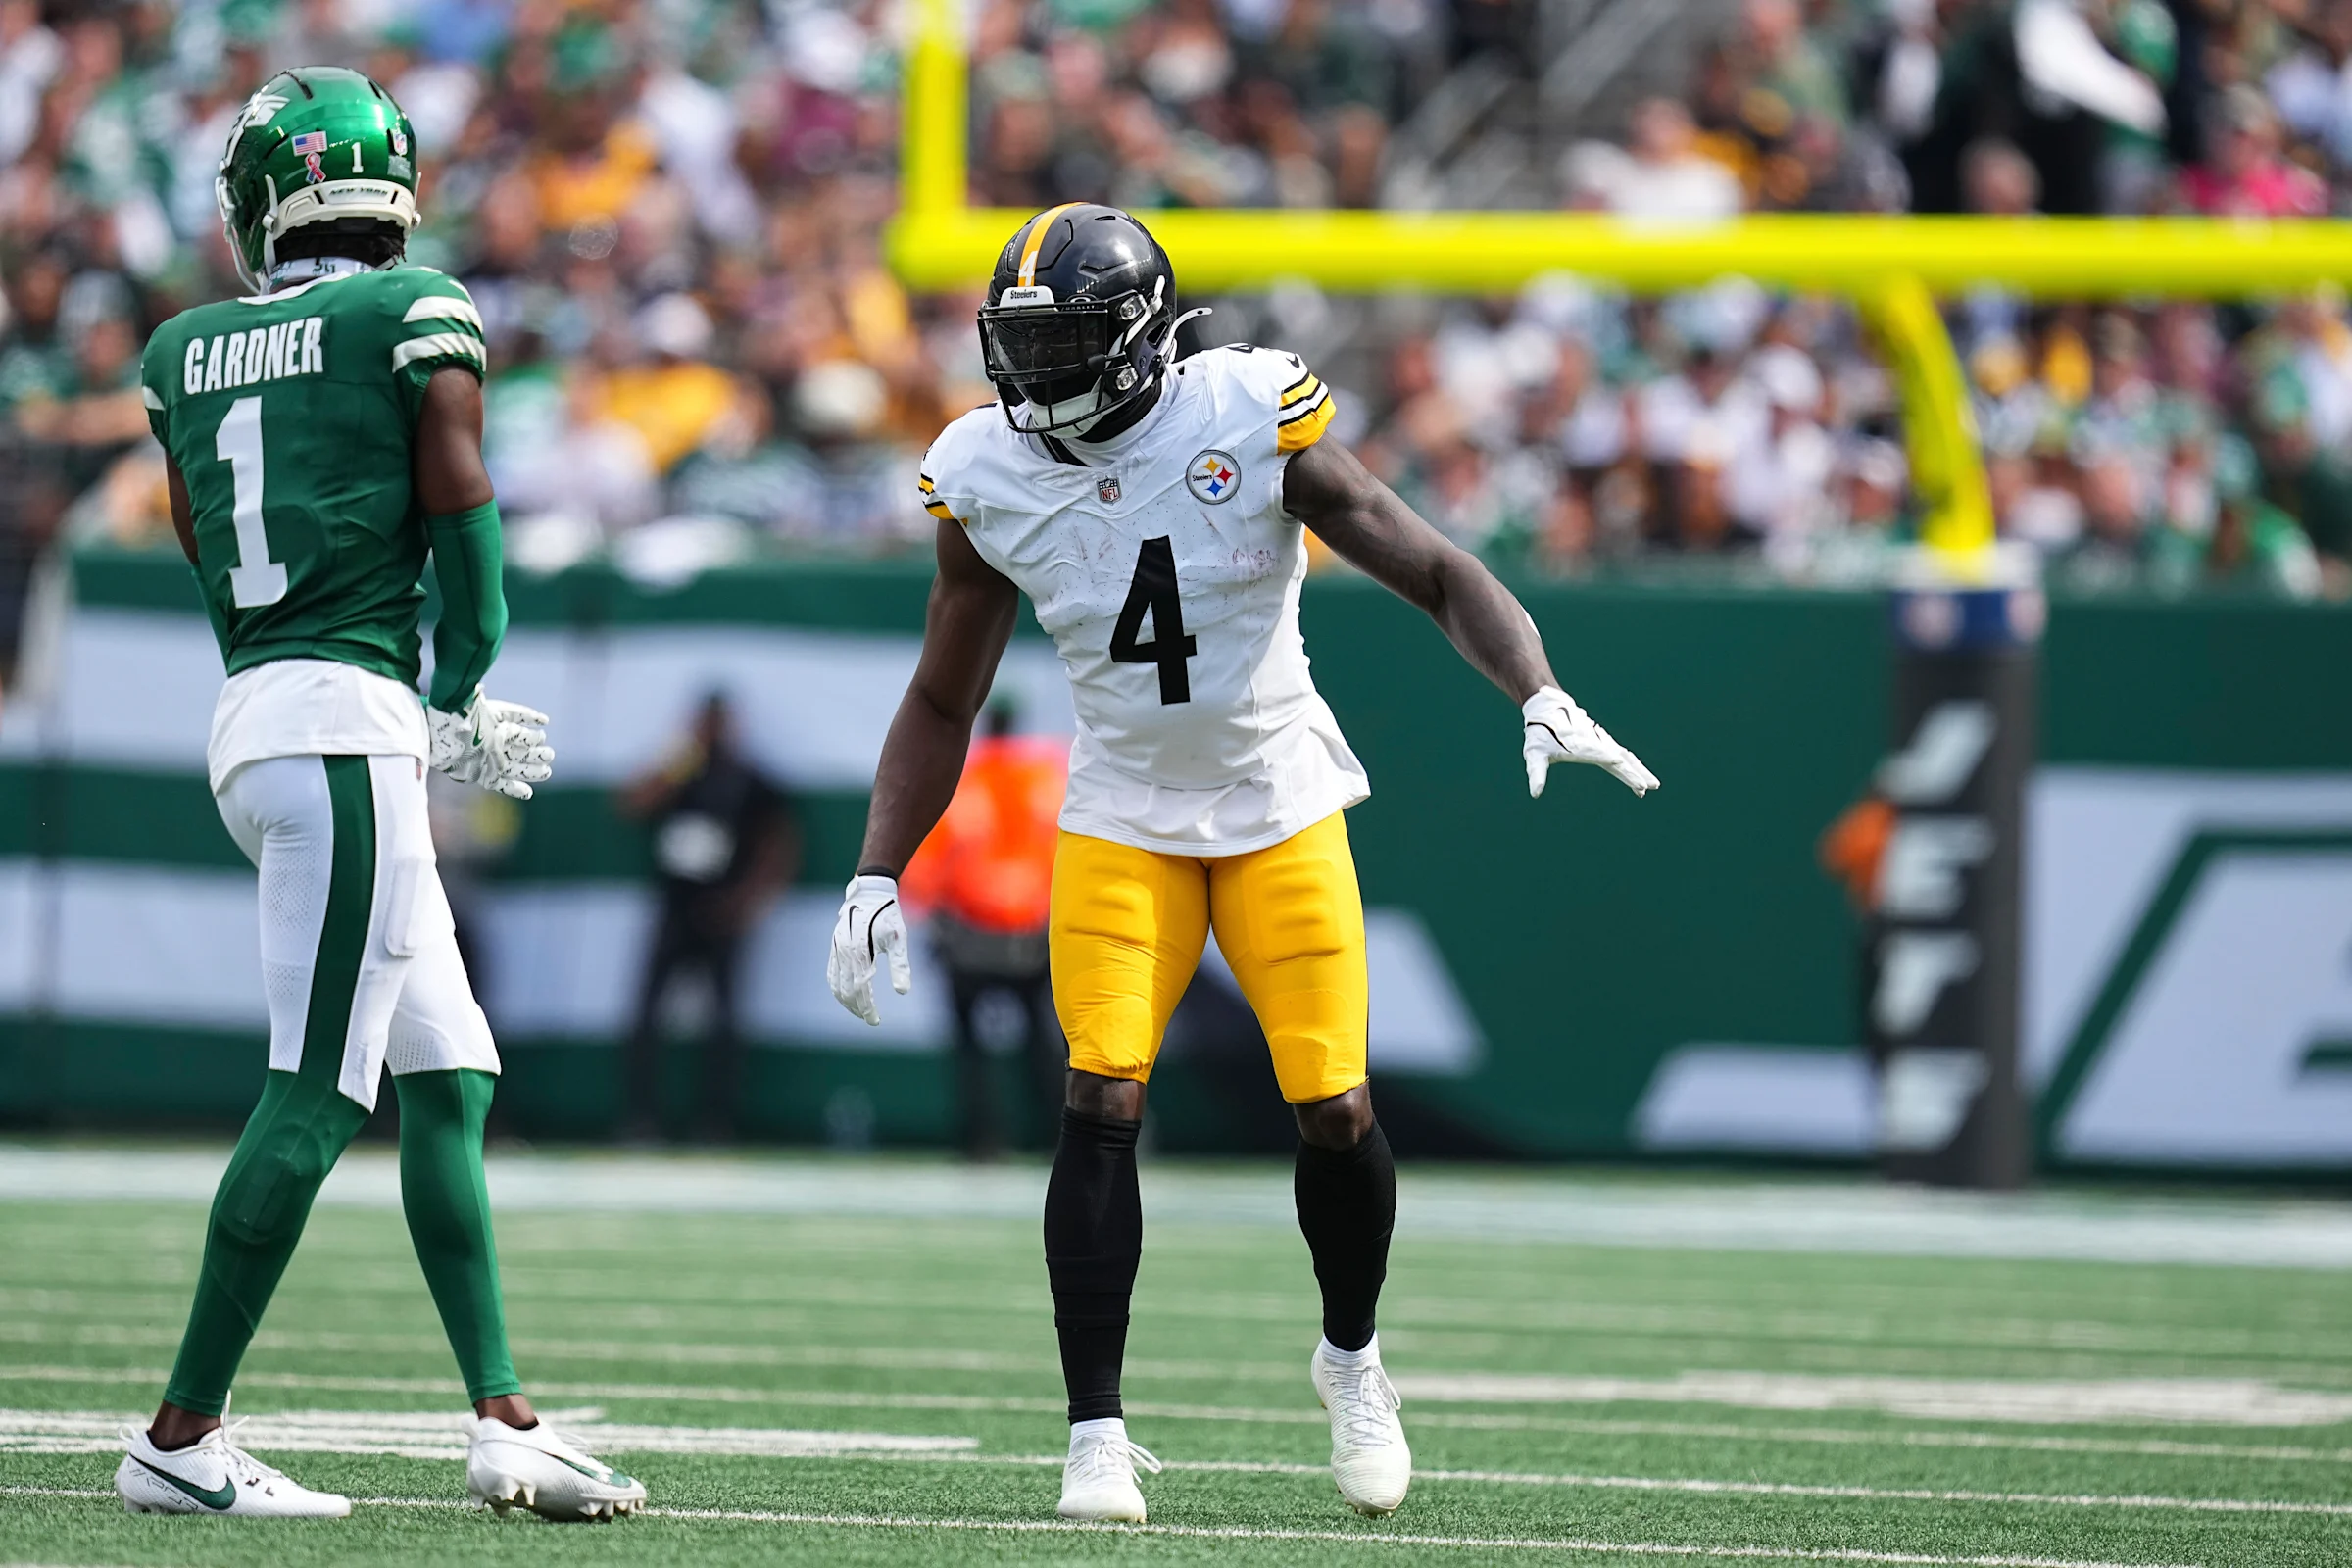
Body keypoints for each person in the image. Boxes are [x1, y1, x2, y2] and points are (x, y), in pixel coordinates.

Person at [826, 204, 1658, 1524]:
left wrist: (1537, 688)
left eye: (1071, 345)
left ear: (1147, 339)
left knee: (1332, 1103)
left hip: (1278, 802)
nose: (1037, 379)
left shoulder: (1244, 410)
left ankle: (1352, 1361)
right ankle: (1095, 1433)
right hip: (1121, 815)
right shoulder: (982, 469)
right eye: (1023, 348)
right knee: (1099, 1093)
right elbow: (944, 698)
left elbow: (1436, 568)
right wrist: (876, 870)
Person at [119, 67, 644, 1523]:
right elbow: (462, 500)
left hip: (275, 707)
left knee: (447, 1073)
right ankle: (179, 1434)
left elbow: (213, 545)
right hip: (344, 725)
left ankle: (506, 1420)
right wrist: (465, 683)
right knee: (312, 1090)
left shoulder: (181, 350)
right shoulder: (409, 315)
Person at [618, 690, 795, 1142]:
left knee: (724, 1021)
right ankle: (642, 1118)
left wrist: (746, 900)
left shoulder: (749, 779)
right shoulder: (680, 772)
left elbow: (779, 845)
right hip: (675, 909)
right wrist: (676, 764)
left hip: (723, 913)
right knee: (647, 1014)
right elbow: (632, 804)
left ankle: (715, 1120)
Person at [900, 699, 1066, 1159]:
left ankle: (982, 1139)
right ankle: (1056, 1137)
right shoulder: (1046, 780)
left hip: (969, 937)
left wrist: (933, 913)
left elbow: (925, 865)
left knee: (971, 1049)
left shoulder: (961, 779)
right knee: (1040, 1043)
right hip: (1029, 937)